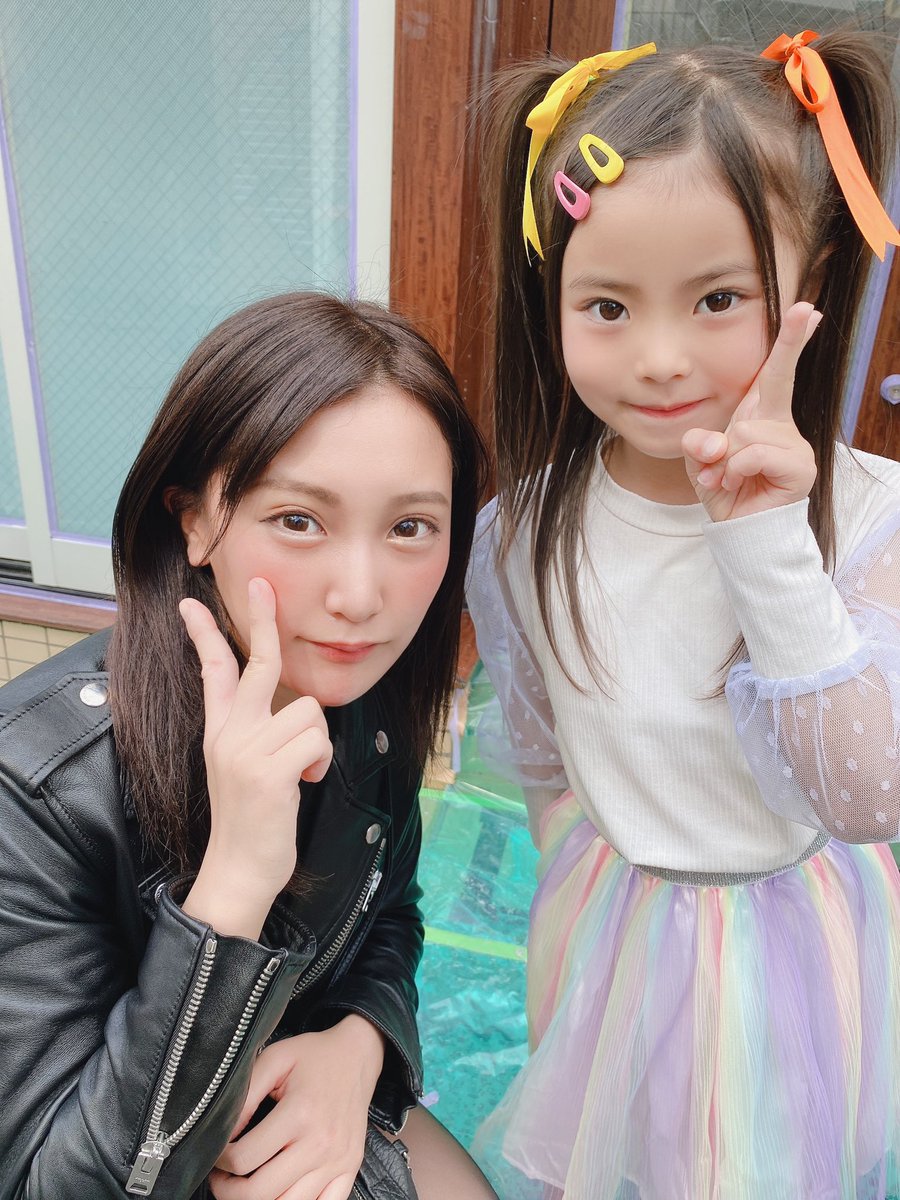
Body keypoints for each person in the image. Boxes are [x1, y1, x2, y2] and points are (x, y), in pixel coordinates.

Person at [466, 28, 900, 1200]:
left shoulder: (872, 516)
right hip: (611, 922)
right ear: (551, 298)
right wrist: (582, 886)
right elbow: (541, 745)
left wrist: (765, 539)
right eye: (607, 305)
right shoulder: (525, 528)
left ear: (807, 288)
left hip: (786, 950)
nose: (660, 359)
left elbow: (868, 797)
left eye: (717, 298)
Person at [0, 292, 498, 1200]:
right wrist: (232, 885)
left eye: (410, 528)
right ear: (193, 520)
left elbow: (389, 912)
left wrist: (358, 1048)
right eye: (299, 520)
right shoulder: (36, 788)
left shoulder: (365, 704)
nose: (361, 596)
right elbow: (55, 1180)